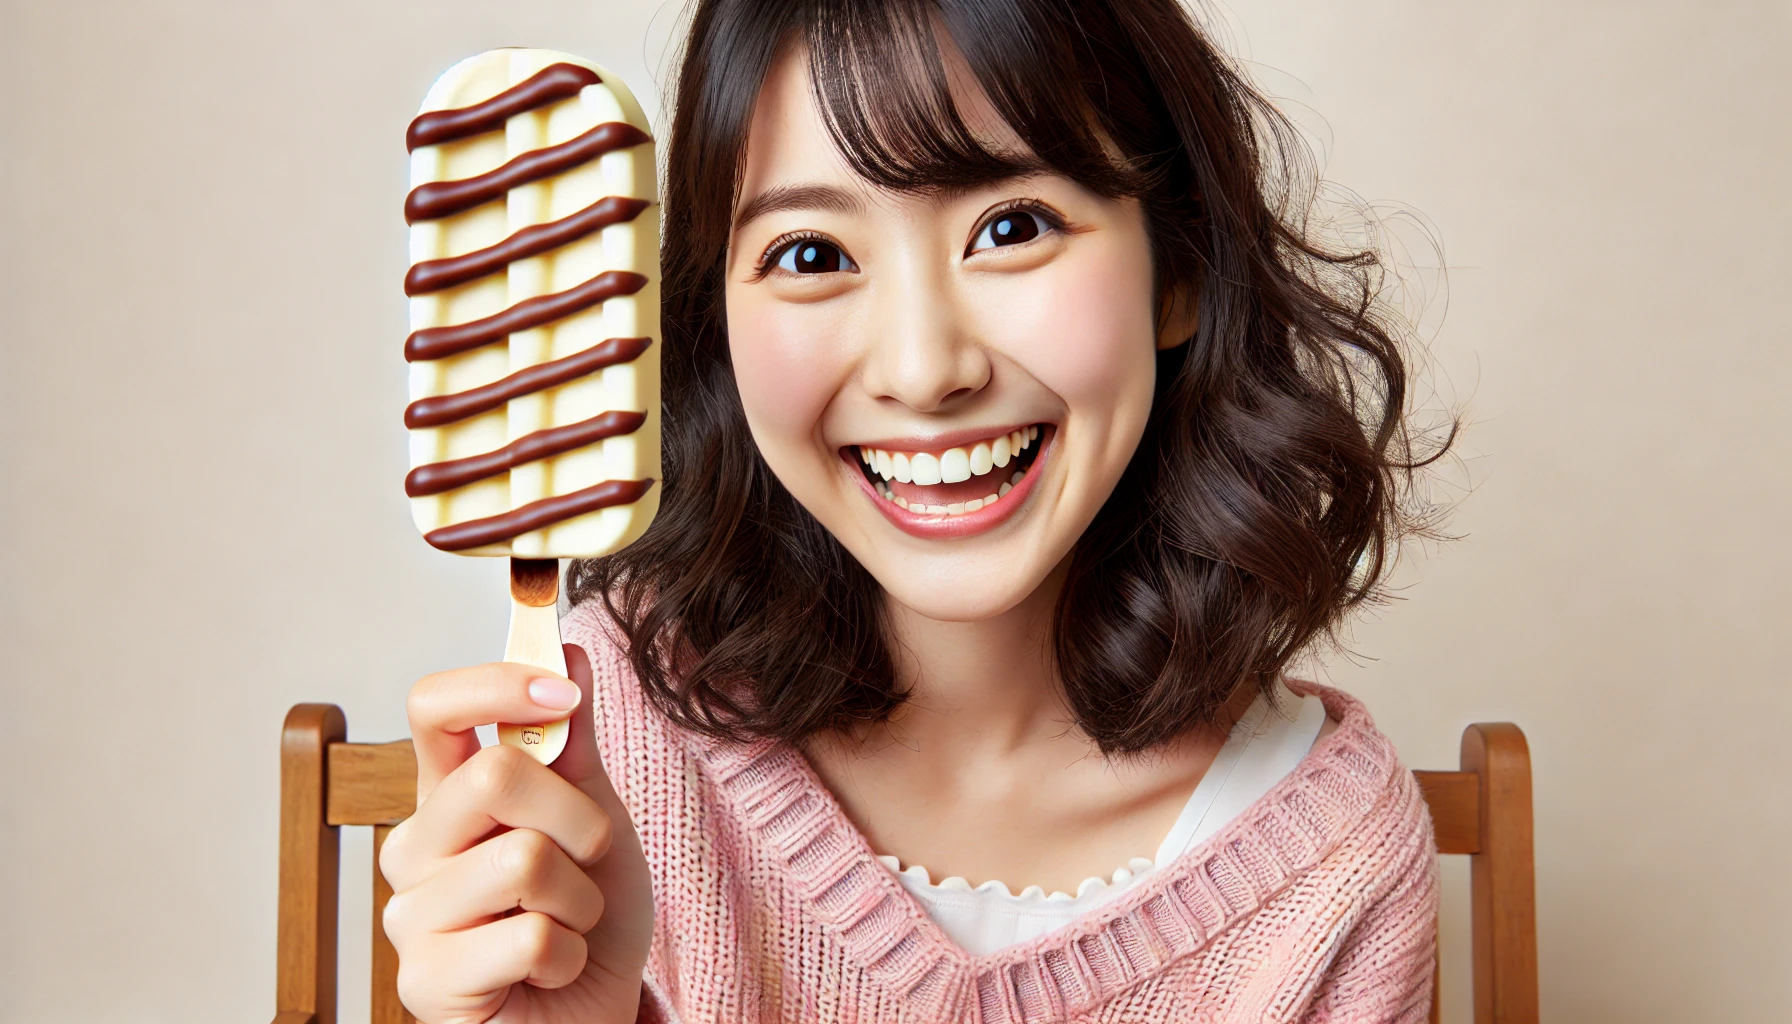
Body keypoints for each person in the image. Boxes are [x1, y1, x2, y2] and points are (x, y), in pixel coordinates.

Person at [378, 0, 1450, 1020]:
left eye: (1013, 225)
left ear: (1179, 271)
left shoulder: (1332, 860)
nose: (922, 366)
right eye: (810, 254)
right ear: (716, 319)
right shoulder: (597, 738)